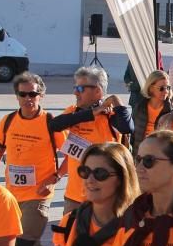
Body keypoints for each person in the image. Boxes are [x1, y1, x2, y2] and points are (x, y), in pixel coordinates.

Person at [0, 73, 66, 246]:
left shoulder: (50, 122)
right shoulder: (8, 121)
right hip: (12, 195)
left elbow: (72, 155)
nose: (28, 98)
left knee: (22, 244)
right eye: (23, 94)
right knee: (31, 243)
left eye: (32, 93)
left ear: (41, 95)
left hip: (39, 195)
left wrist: (54, 178)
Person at [50, 67, 134, 215]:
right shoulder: (74, 112)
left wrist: (115, 100)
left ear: (97, 91)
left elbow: (127, 127)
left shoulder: (111, 115)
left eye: (81, 88)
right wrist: (91, 113)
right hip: (74, 197)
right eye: (75, 88)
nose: (76, 92)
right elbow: (54, 125)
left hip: (104, 197)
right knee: (69, 237)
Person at [131, 71, 173, 152]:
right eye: (161, 88)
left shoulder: (171, 111)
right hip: (139, 153)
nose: (166, 91)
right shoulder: (140, 107)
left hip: (159, 155)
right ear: (151, 88)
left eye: (168, 87)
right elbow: (133, 133)